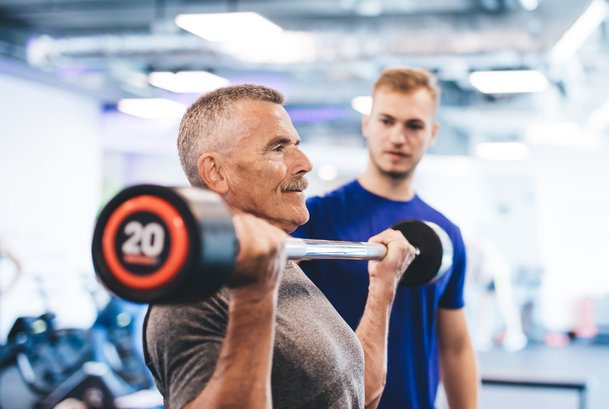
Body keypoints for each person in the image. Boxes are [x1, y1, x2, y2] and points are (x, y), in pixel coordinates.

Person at [143, 84, 417, 409]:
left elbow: (359, 393)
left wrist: (383, 286)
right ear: (216, 172)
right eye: (277, 148)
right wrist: (253, 296)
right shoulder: (191, 297)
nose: (305, 163)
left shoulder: (284, 265)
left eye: (296, 145)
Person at [293, 67, 479, 408]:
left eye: (414, 125)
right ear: (367, 124)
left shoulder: (446, 234)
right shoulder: (313, 218)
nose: (397, 137)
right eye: (386, 121)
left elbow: (455, 346)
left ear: (433, 134)